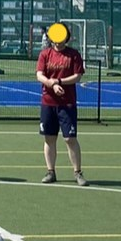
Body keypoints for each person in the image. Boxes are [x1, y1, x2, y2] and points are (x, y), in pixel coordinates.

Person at [36, 26, 88, 186]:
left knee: (69, 138)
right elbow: (39, 74)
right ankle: (50, 171)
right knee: (49, 138)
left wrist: (59, 82)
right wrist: (50, 84)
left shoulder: (73, 55)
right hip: (48, 103)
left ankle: (78, 172)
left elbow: (77, 76)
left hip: (67, 103)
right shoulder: (45, 54)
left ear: (67, 37)